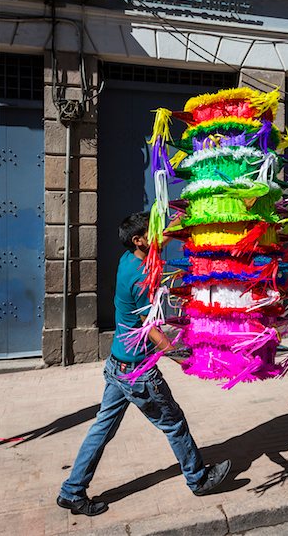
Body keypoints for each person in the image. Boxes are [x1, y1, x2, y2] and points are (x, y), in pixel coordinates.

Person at [57, 211, 231, 516]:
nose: (159, 236)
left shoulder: (130, 259)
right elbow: (150, 329)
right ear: (139, 240)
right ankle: (199, 478)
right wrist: (185, 359)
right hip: (138, 372)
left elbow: (159, 240)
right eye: (153, 232)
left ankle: (72, 491)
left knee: (101, 428)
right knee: (174, 423)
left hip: (117, 364)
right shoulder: (140, 275)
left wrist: (186, 217)